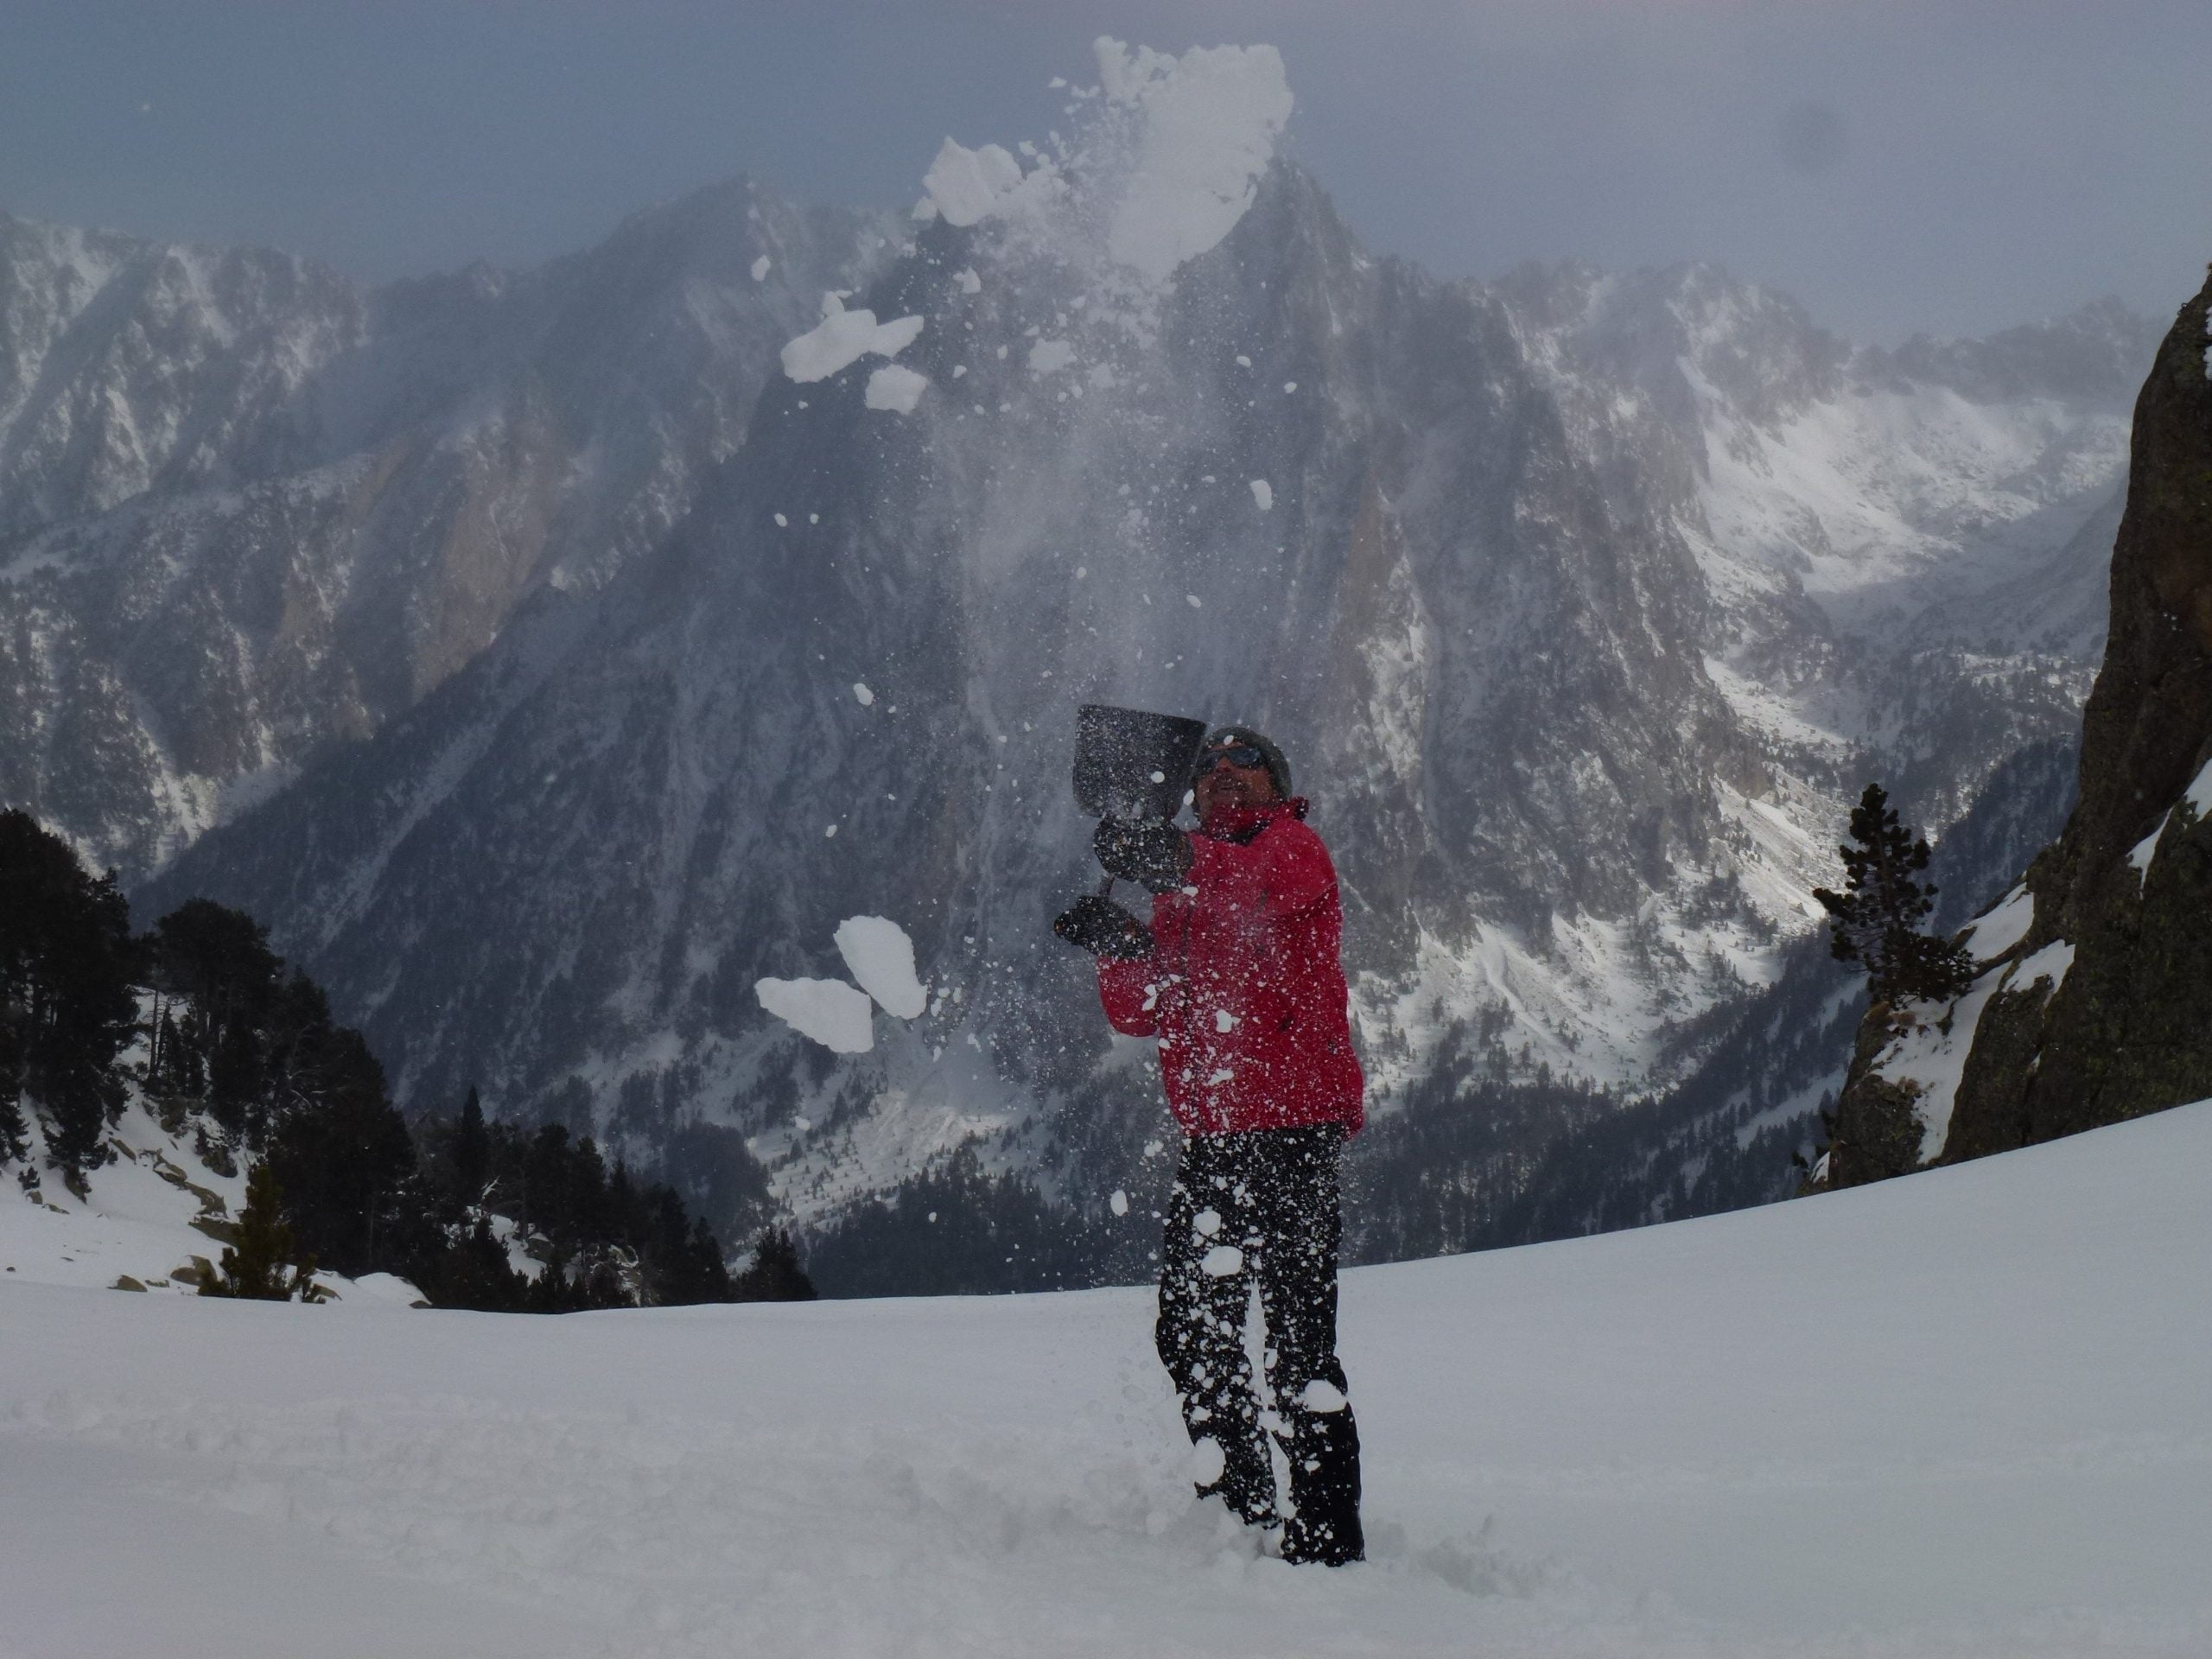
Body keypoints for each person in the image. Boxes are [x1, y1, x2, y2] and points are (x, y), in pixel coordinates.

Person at [1054, 725, 1366, 1566]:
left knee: (1299, 1342)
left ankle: (1327, 1541)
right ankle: (1239, 1511)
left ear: (1276, 783)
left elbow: (1254, 890)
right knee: (1192, 1332)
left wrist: (1174, 861)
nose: (1223, 773)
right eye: (1208, 767)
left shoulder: (1293, 848)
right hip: (1218, 1139)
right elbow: (1145, 1010)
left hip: (1292, 1130)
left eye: (1244, 762)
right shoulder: (1188, 879)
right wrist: (1121, 951)